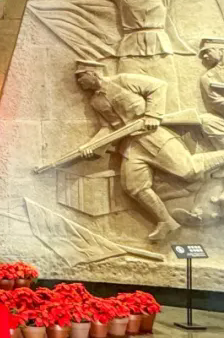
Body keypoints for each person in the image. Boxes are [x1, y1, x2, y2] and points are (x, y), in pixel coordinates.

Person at [74, 61, 224, 241]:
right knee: (134, 186)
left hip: (153, 136)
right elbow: (108, 128)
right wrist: (91, 145)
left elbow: (158, 86)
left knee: (188, 170)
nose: (79, 81)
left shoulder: (123, 81)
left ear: (93, 73)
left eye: (80, 76)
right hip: (130, 146)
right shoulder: (95, 102)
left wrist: (152, 115)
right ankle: (166, 222)